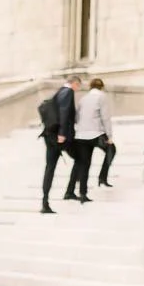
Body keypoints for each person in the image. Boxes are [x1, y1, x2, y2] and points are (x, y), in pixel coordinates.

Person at [67, 78, 113, 204]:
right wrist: (109, 136)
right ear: (102, 87)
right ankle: (102, 177)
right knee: (112, 150)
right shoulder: (102, 97)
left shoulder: (83, 98)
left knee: (84, 164)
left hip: (81, 135)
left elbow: (76, 117)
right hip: (95, 134)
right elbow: (105, 117)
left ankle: (82, 193)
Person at [40, 76, 81, 214]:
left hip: (49, 135)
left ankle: (45, 202)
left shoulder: (59, 92)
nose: (78, 89)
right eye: (78, 86)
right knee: (81, 159)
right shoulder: (68, 92)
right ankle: (69, 191)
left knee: (49, 167)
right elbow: (64, 112)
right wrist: (62, 133)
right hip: (60, 137)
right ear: (75, 83)